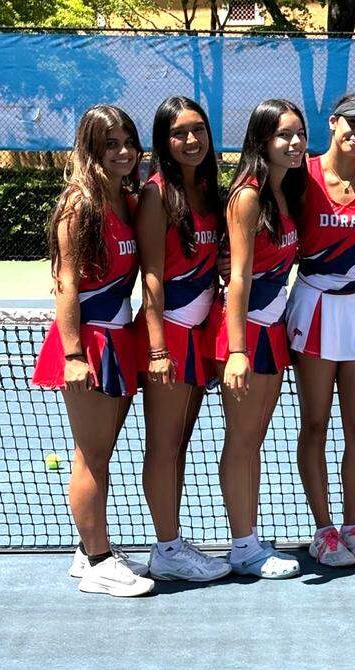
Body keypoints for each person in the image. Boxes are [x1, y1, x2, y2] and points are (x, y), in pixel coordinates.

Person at [31, 104, 154, 596]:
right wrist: (74, 354)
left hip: (121, 339)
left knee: (100, 453)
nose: (123, 151)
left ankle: (88, 551)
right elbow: (65, 283)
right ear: (91, 148)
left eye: (128, 141)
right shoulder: (79, 205)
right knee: (91, 456)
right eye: (111, 143)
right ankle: (99, 562)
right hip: (90, 343)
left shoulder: (127, 199)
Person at [284, 94, 355, 567]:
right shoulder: (299, 175)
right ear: (333, 122)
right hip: (313, 308)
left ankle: (353, 525)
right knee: (315, 423)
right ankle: (324, 529)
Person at [134, 96, 231, 582]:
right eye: (179, 134)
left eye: (198, 130)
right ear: (163, 142)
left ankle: (170, 542)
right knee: (164, 446)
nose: (191, 141)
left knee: (180, 443)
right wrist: (155, 349)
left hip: (198, 335)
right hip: (167, 335)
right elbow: (150, 276)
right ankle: (167, 548)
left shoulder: (210, 190)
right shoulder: (154, 195)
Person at [208, 99, 305, 579]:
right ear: (262, 140)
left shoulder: (285, 190)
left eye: (299, 134)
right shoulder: (248, 196)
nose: (294, 143)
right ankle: (243, 546)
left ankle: (248, 536)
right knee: (243, 440)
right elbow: (239, 279)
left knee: (254, 440)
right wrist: (238, 351)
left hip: (273, 329)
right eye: (283, 135)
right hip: (246, 336)